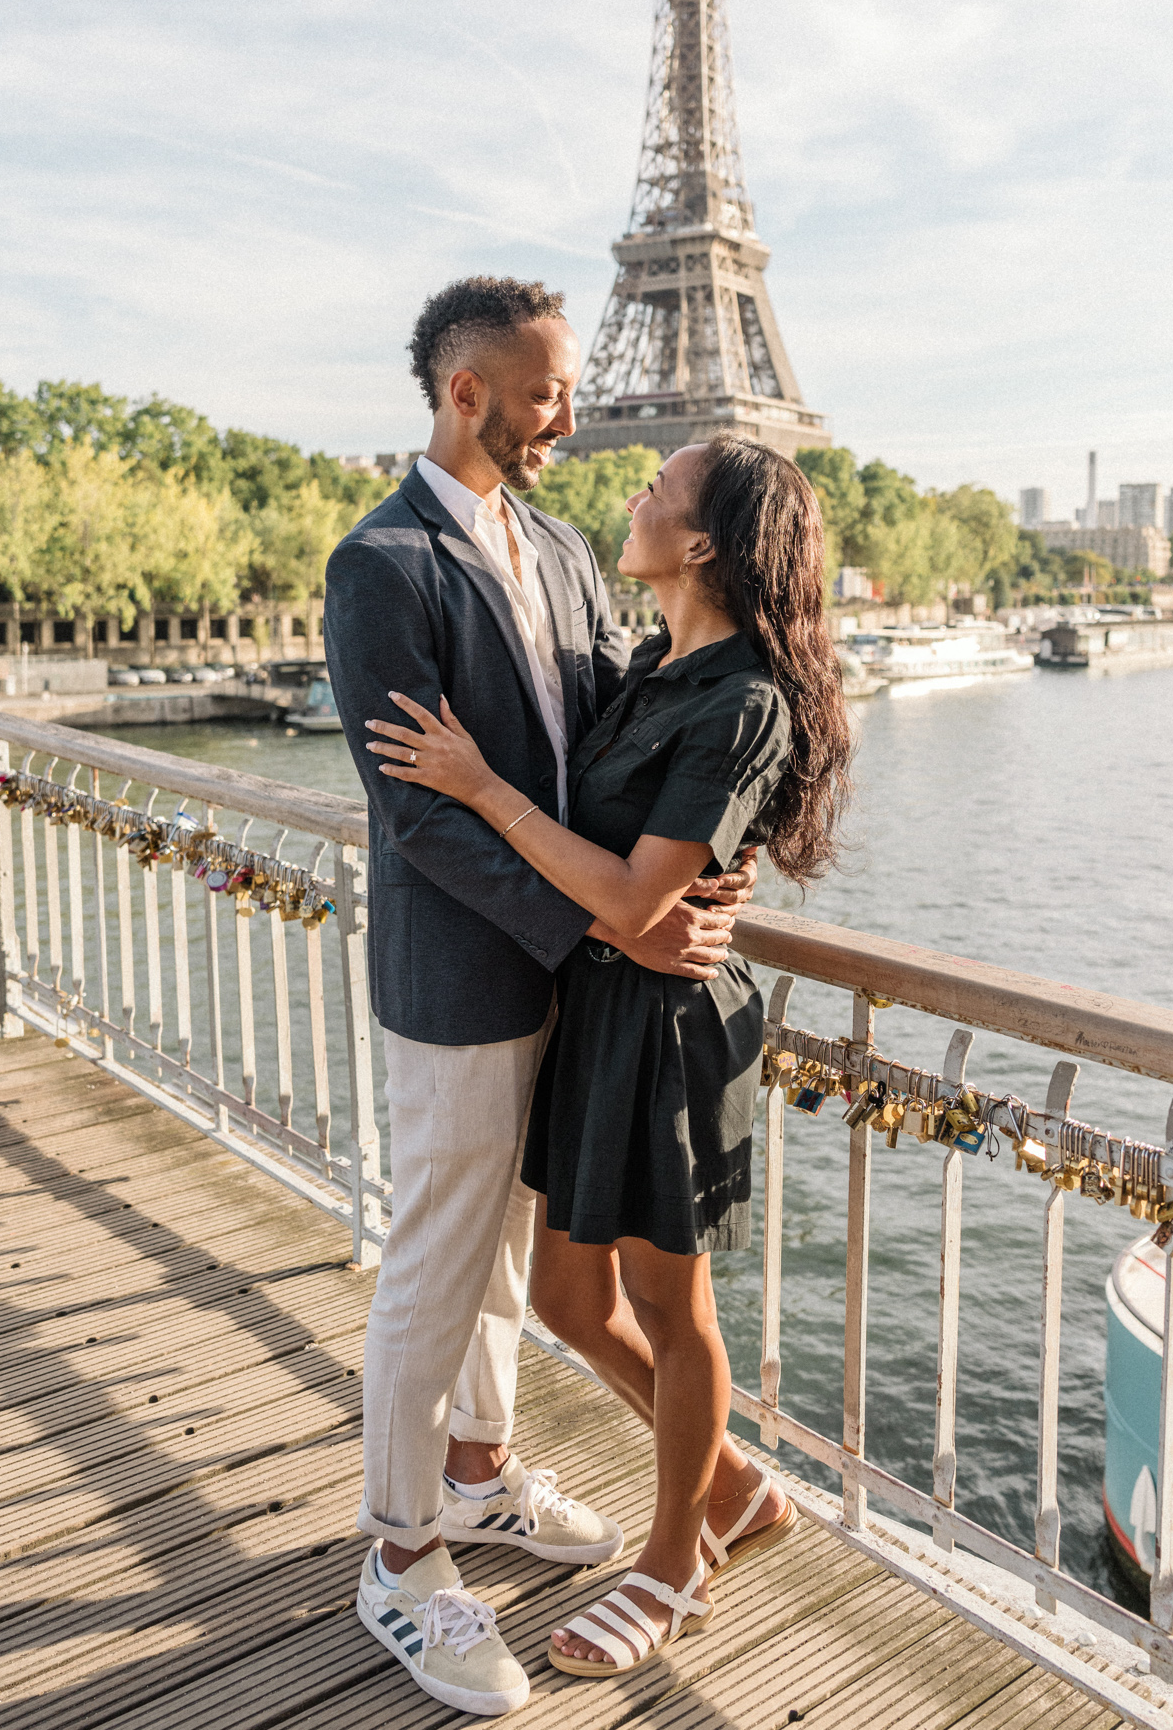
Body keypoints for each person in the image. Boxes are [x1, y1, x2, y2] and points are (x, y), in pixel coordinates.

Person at [324, 276, 758, 1717]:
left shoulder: (565, 549)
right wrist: (606, 934)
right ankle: (399, 1555)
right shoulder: (380, 567)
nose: (572, 413)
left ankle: (480, 1472)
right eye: (548, 391)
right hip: (466, 979)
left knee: (508, 1257)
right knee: (438, 1263)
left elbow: (628, 732)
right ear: (468, 394)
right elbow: (418, 819)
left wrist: (703, 871)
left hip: (579, 970)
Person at [366, 431, 853, 1683]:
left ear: (698, 542)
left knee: (671, 1314)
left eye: (655, 491)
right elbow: (633, 897)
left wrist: (479, 787)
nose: (627, 498)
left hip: (669, 1026)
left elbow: (640, 903)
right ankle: (735, 1483)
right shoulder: (650, 667)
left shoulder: (745, 700)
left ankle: (674, 1558)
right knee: (570, 1301)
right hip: (594, 1006)